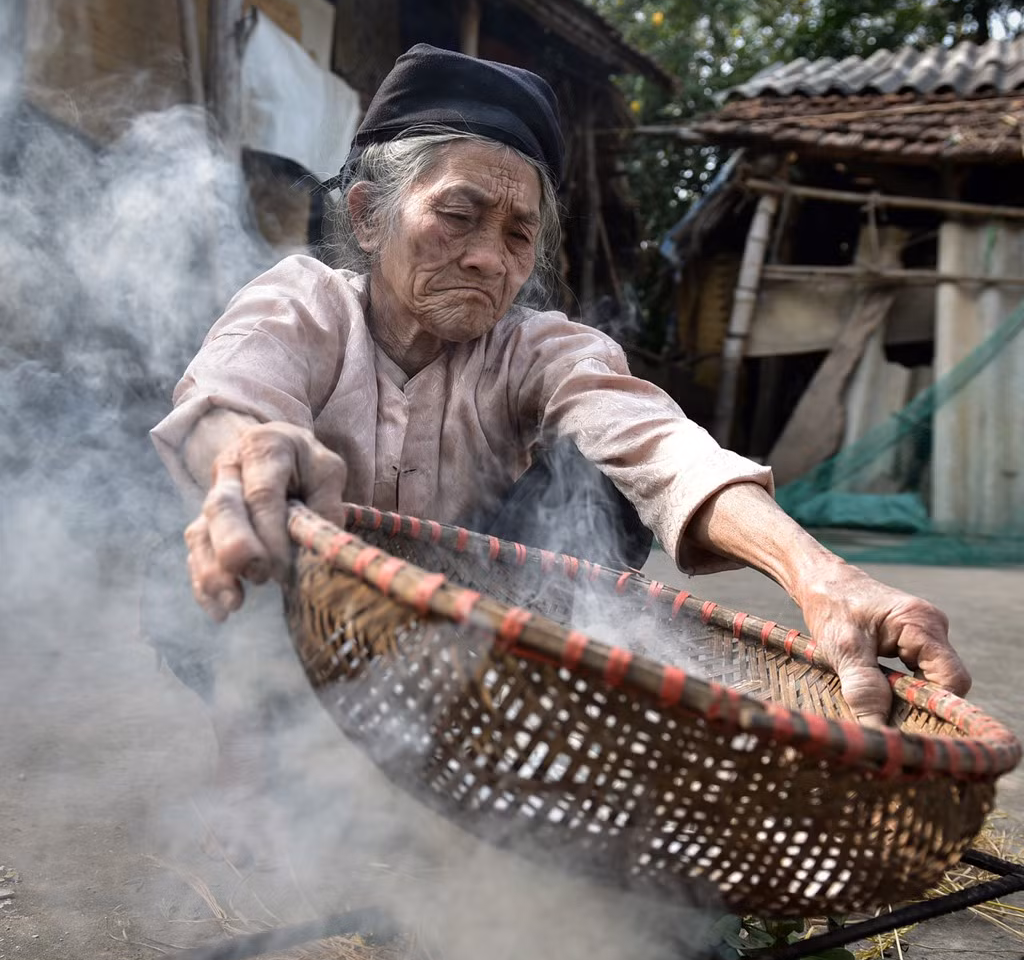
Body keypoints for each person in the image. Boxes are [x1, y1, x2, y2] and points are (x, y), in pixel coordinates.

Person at [152, 43, 970, 729]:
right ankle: (248, 747)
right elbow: (225, 399)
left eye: (518, 235)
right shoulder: (308, 301)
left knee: (605, 490)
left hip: (449, 631)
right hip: (294, 621)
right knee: (224, 512)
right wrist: (252, 451)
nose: (490, 259)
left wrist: (820, 576)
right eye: (458, 215)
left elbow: (660, 449)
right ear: (368, 216)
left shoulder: (534, 348)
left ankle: (478, 726)